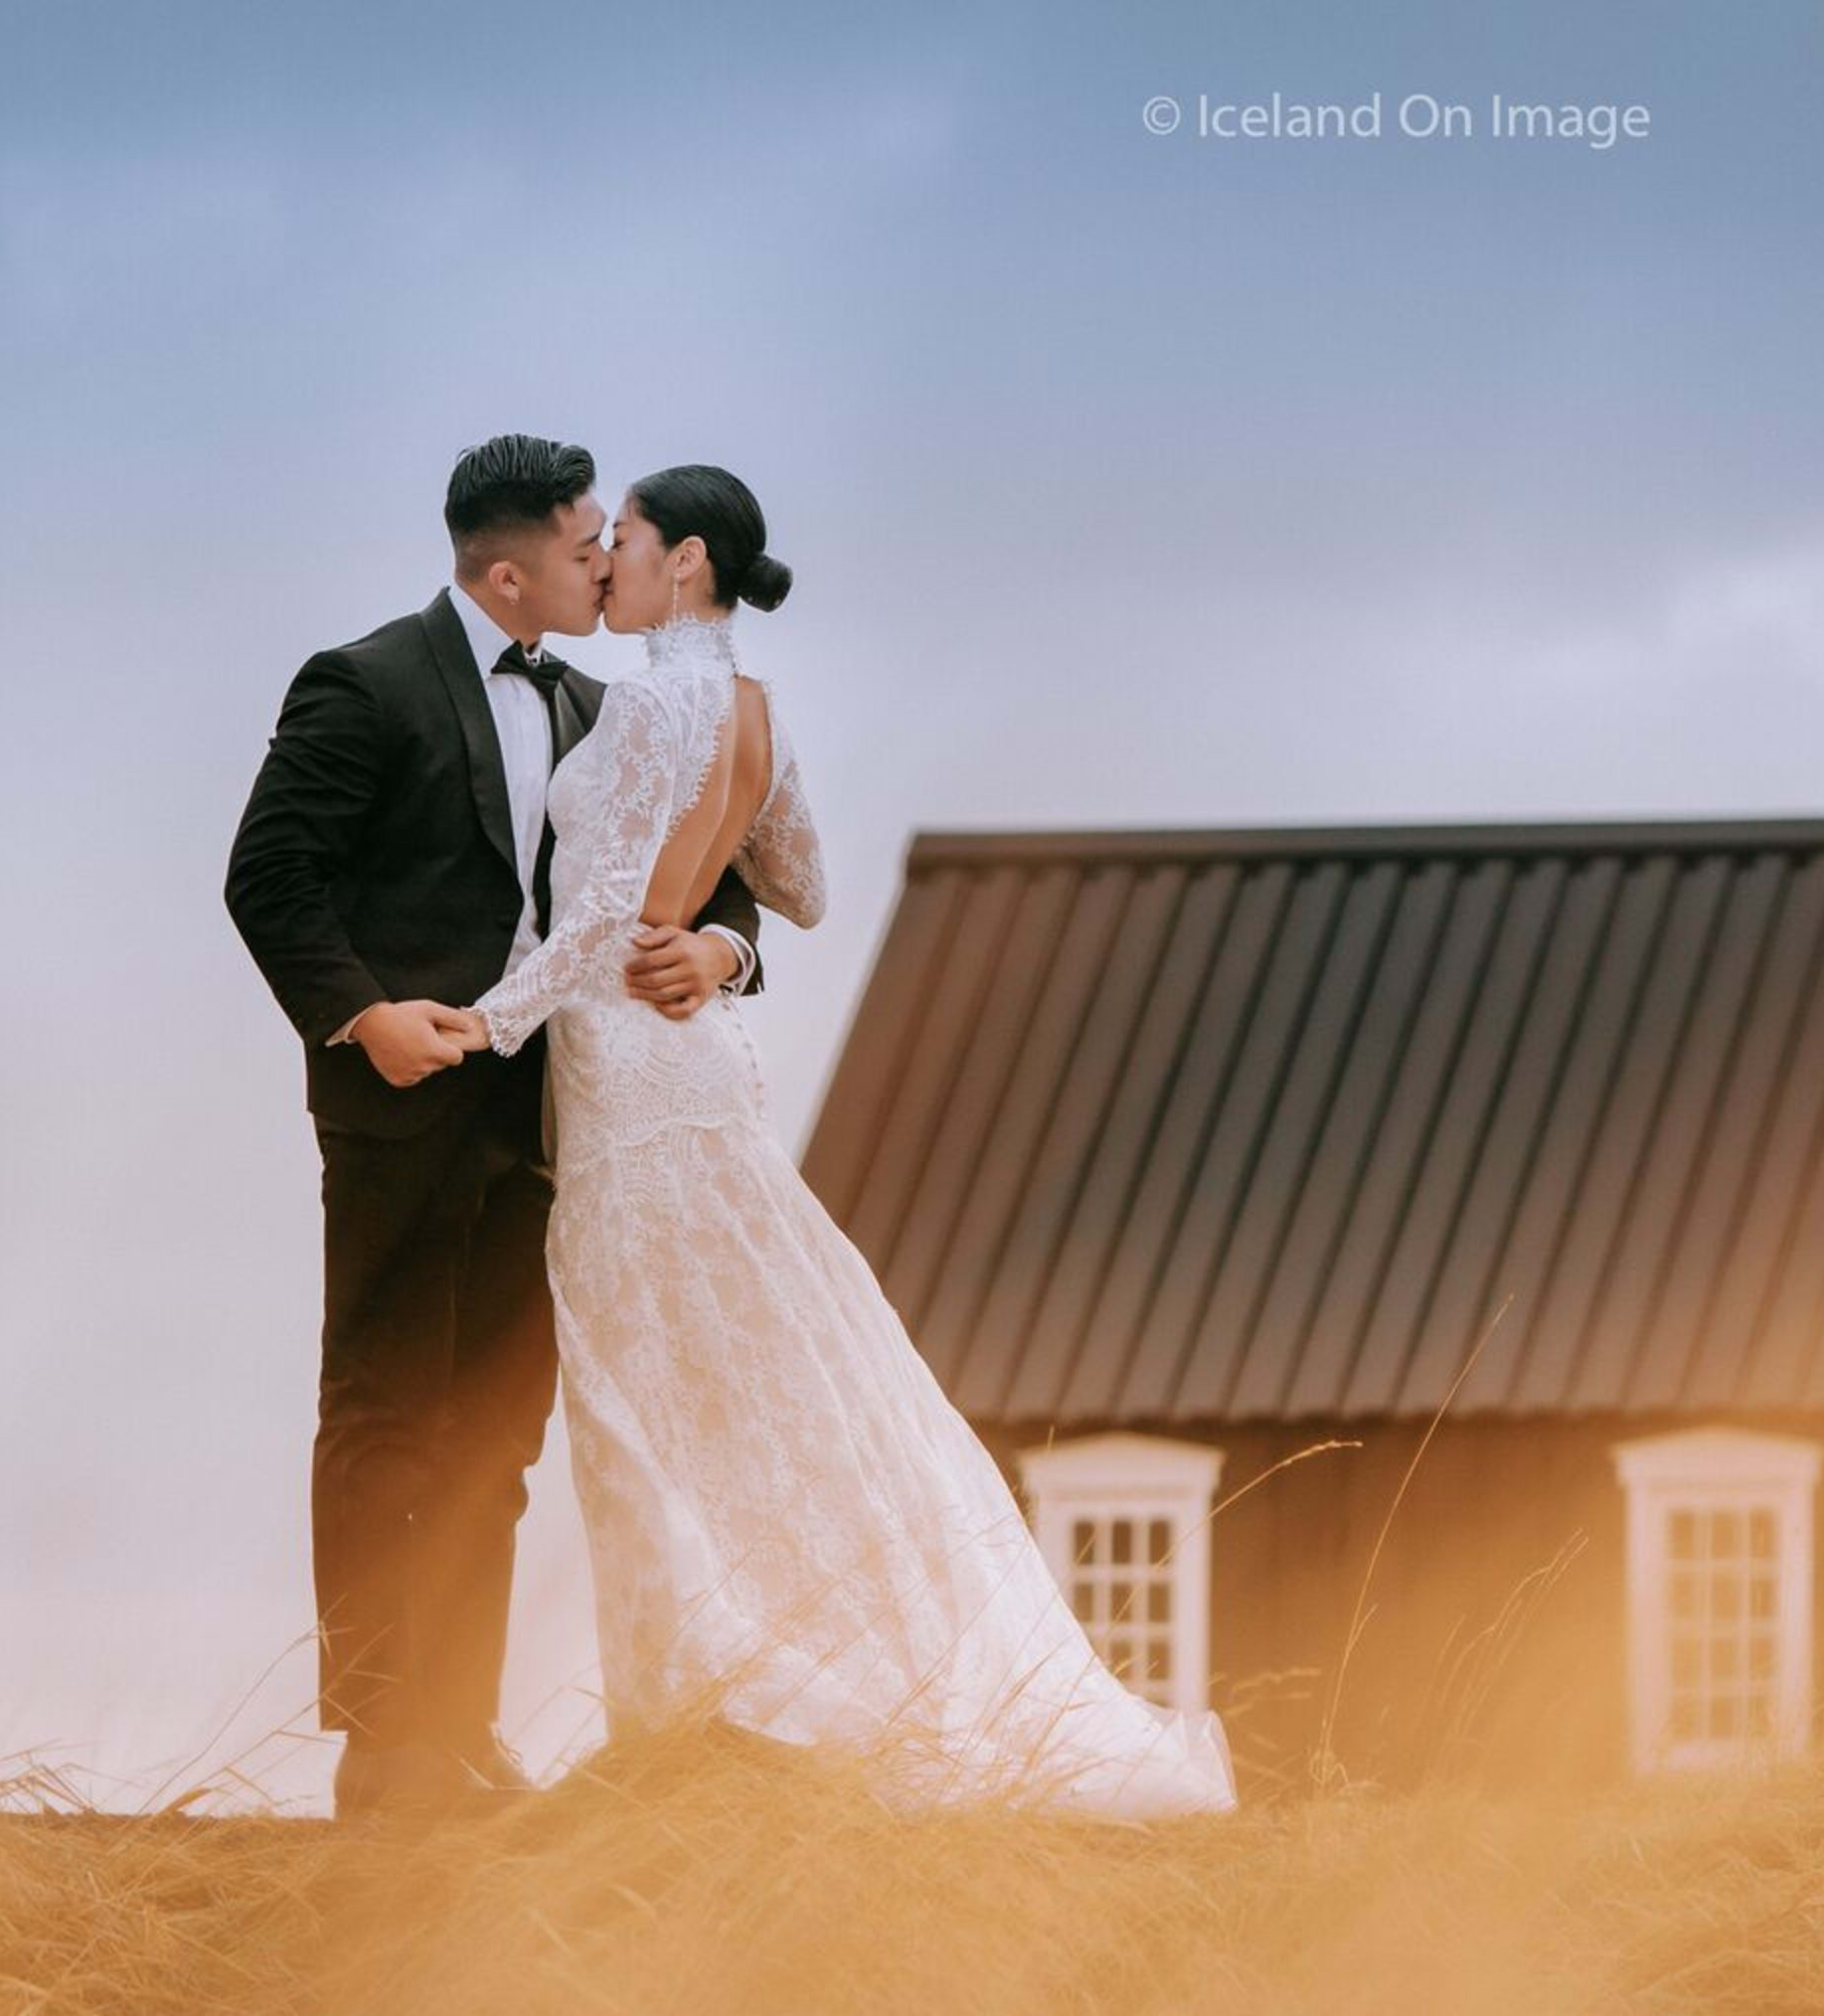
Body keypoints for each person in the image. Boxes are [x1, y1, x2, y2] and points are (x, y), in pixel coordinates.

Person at [448, 462, 1237, 1824]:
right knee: (764, 1369)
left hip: (629, 1072)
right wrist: (717, 944)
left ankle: (700, 1712)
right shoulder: (755, 710)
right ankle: (756, 1684)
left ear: (684, 560)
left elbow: (588, 926)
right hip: (703, 1062)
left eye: (624, 542)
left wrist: (480, 1022)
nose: (608, 565)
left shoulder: (643, 706)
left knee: (652, 1383)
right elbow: (799, 887)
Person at [225, 434, 770, 1819]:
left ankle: (459, 1731)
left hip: (559, 1118)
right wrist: (360, 1017)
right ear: (513, 572)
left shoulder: (608, 708)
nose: (609, 565)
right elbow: (268, 875)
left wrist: (723, 954)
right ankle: (383, 1744)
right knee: (386, 1415)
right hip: (403, 1106)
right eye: (590, 548)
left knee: (494, 1439)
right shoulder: (366, 682)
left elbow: (724, 871)